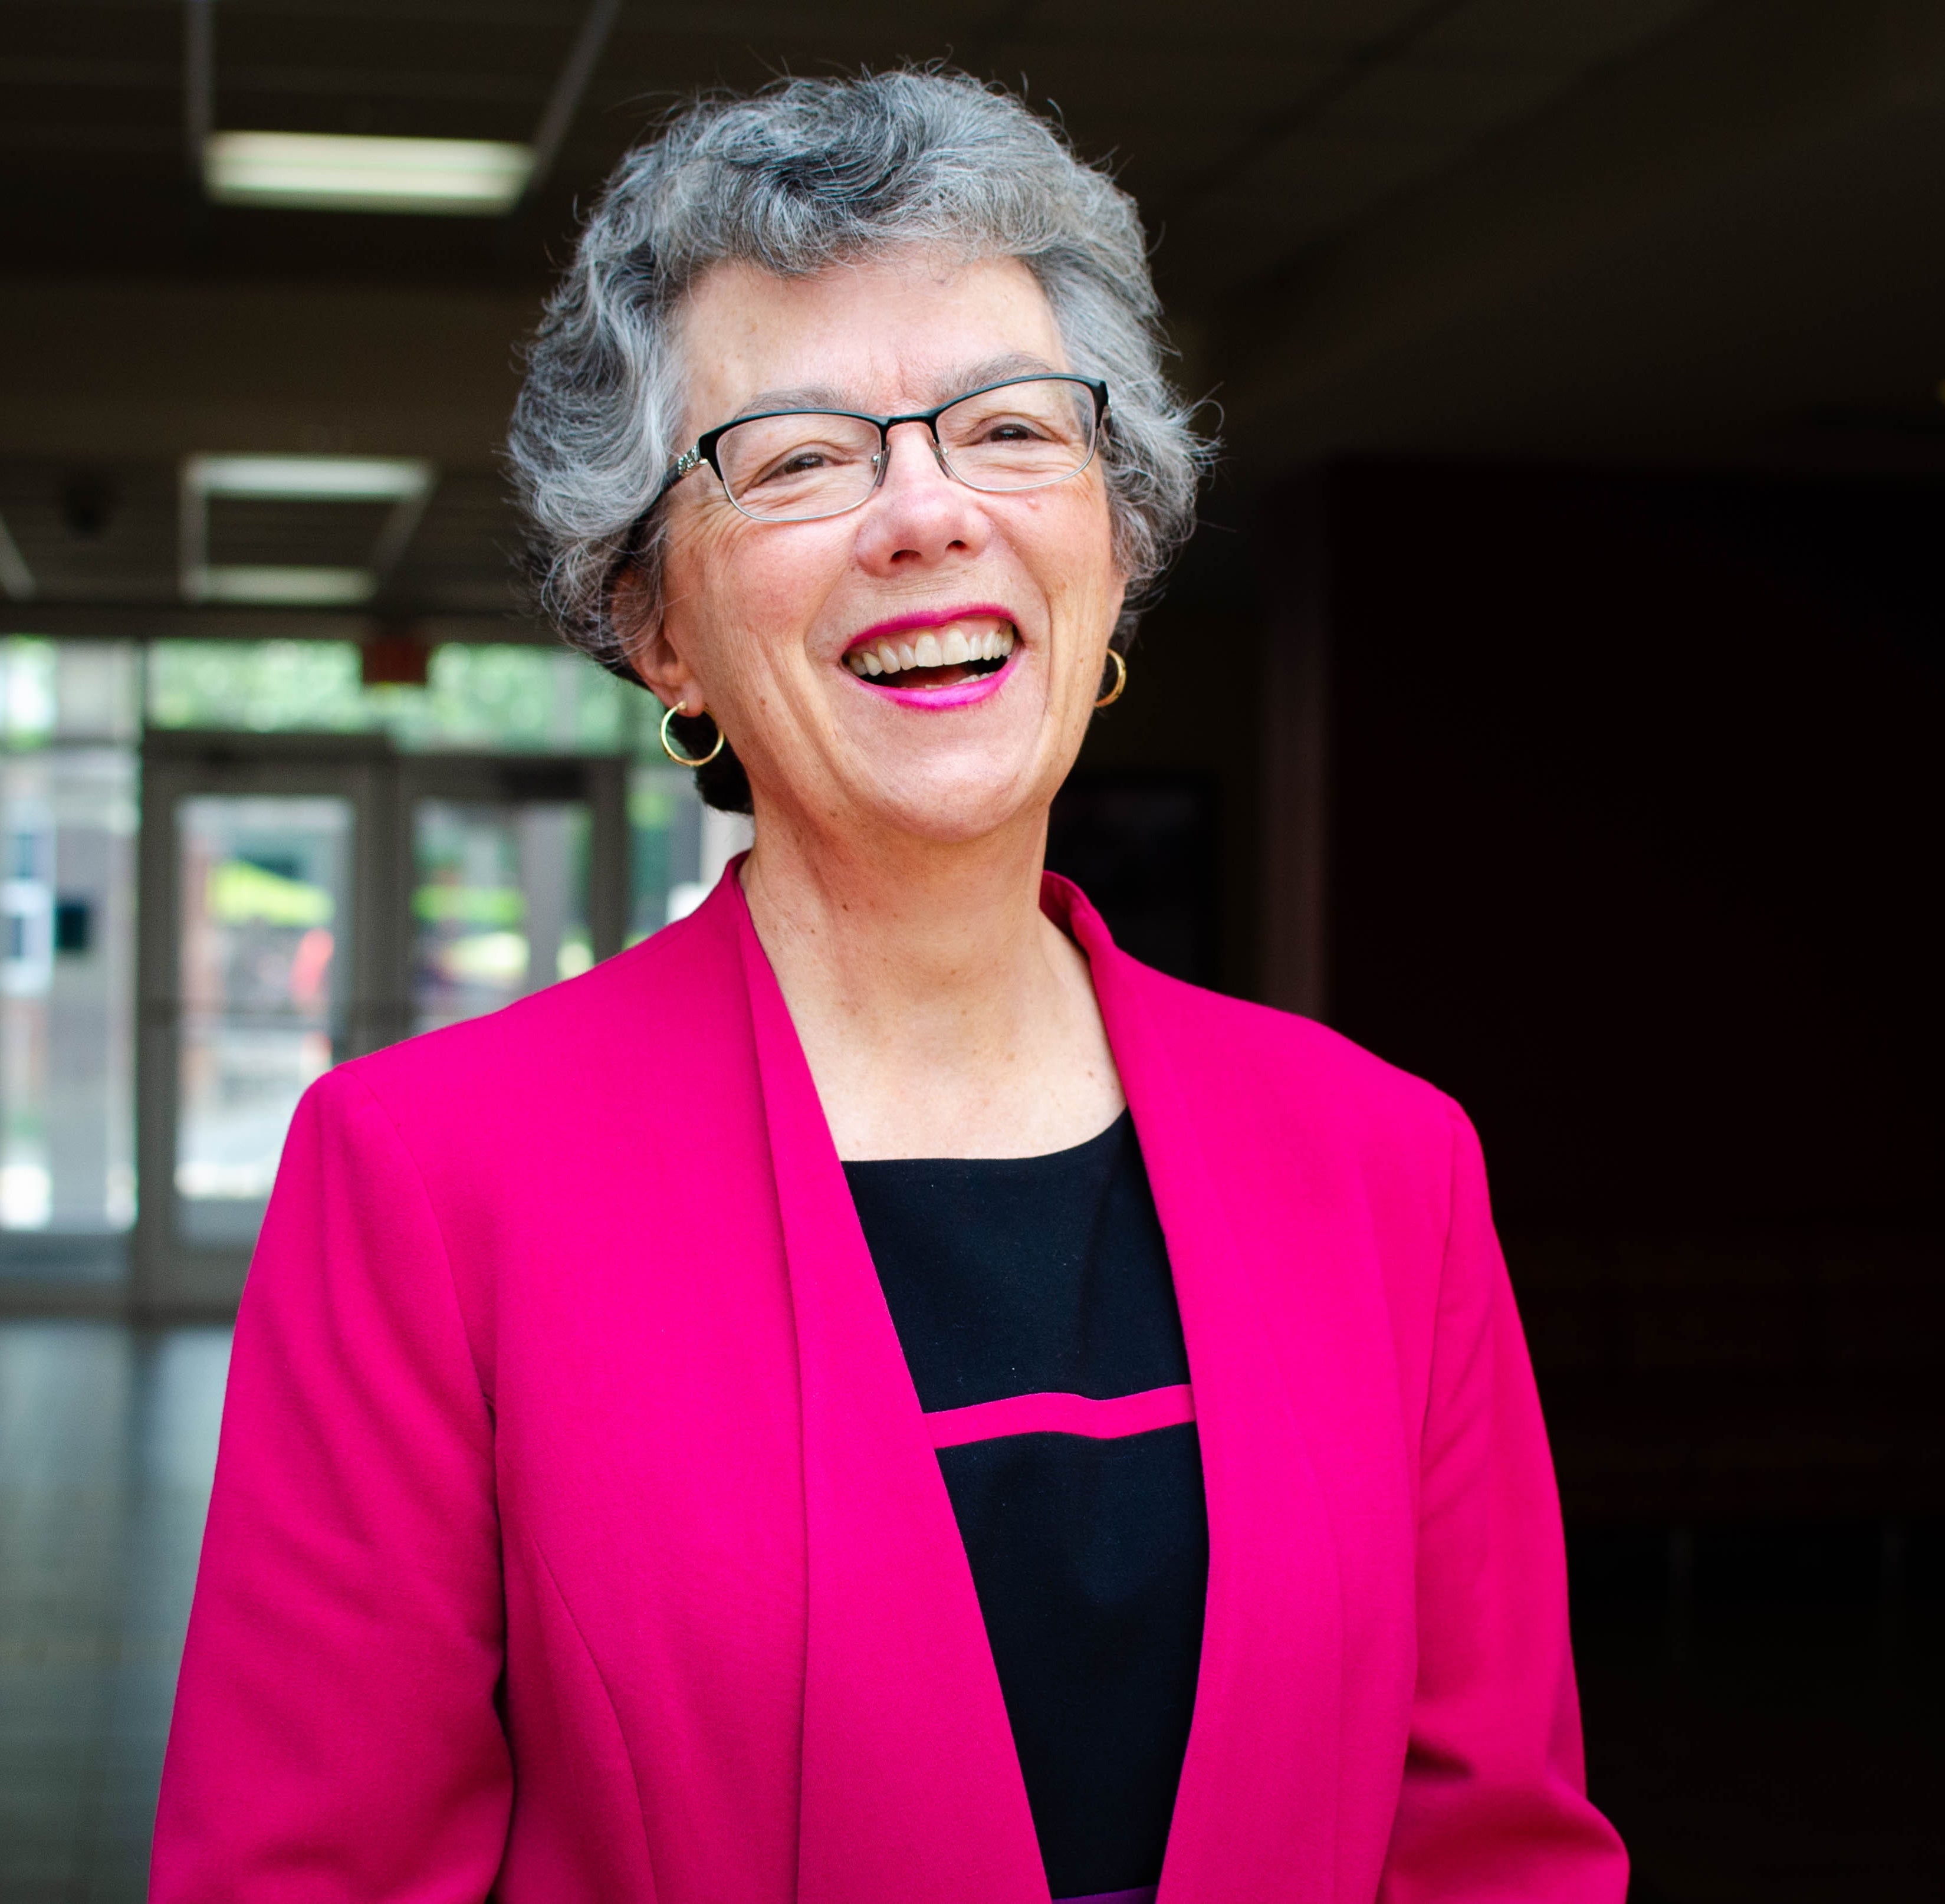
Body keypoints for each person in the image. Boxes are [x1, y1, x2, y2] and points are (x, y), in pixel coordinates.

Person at [153, 70, 1627, 1904]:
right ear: (660, 625)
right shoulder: (430, 1184)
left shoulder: (1382, 1165)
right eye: (798, 456)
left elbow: (1493, 1857)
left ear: (1118, 537)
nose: (927, 513)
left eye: (1010, 429)